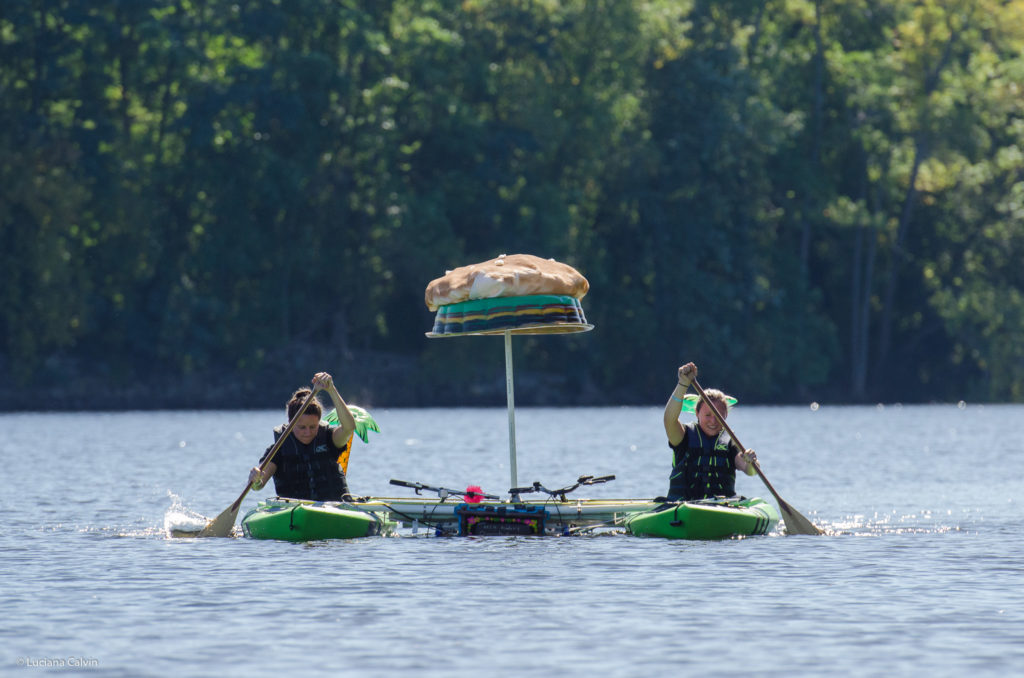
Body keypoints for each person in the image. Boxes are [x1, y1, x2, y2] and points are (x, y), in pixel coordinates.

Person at [248, 372, 357, 501]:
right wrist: (255, 479)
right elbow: (258, 486)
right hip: (297, 513)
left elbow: (349, 428)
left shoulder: (329, 439)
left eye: (313, 427)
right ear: (290, 424)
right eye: (302, 427)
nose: (308, 432)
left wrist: (331, 390)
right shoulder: (278, 450)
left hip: (336, 508)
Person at [662, 362, 757, 501]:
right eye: (708, 415)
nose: (713, 421)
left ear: (726, 416)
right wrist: (683, 384)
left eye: (718, 415)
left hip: (722, 508)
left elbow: (750, 470)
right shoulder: (684, 435)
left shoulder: (730, 441)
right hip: (683, 507)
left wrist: (751, 463)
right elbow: (669, 420)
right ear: (697, 413)